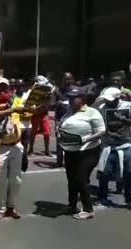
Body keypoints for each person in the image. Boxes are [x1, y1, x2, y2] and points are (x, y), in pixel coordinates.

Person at [57, 89, 105, 220]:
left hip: (88, 152)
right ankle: (72, 205)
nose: (71, 100)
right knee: (71, 179)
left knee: (81, 178)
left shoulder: (92, 112)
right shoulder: (68, 112)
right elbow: (61, 125)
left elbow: (101, 131)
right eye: (70, 97)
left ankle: (88, 209)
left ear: (82, 99)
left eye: (74, 98)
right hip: (70, 151)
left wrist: (86, 139)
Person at [0, 78, 26, 222]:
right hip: (0, 147)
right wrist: (10, 110)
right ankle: (0, 209)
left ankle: (11, 206)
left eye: (5, 88)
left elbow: (26, 113)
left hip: (16, 145)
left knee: (16, 180)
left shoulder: (16, 101)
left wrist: (35, 107)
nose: (2, 91)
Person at [96, 87, 131, 206]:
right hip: (108, 145)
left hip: (126, 144)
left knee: (128, 173)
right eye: (105, 100)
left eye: (109, 100)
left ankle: (129, 198)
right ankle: (102, 196)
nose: (107, 102)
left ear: (118, 98)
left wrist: (122, 119)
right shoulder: (101, 108)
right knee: (104, 173)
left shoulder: (128, 106)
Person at [53, 72, 76, 167]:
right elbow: (51, 104)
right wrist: (58, 103)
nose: (68, 81)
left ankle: (70, 161)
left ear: (73, 80)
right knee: (59, 140)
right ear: (62, 80)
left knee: (71, 140)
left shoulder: (76, 90)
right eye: (66, 79)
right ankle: (59, 161)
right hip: (60, 119)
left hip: (73, 118)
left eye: (70, 79)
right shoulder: (57, 91)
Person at [28, 76, 53, 156]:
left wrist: (46, 100)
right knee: (33, 132)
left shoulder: (48, 90)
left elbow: (48, 102)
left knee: (47, 132)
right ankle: (31, 149)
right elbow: (30, 101)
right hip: (35, 113)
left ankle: (47, 150)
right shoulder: (32, 90)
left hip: (43, 113)